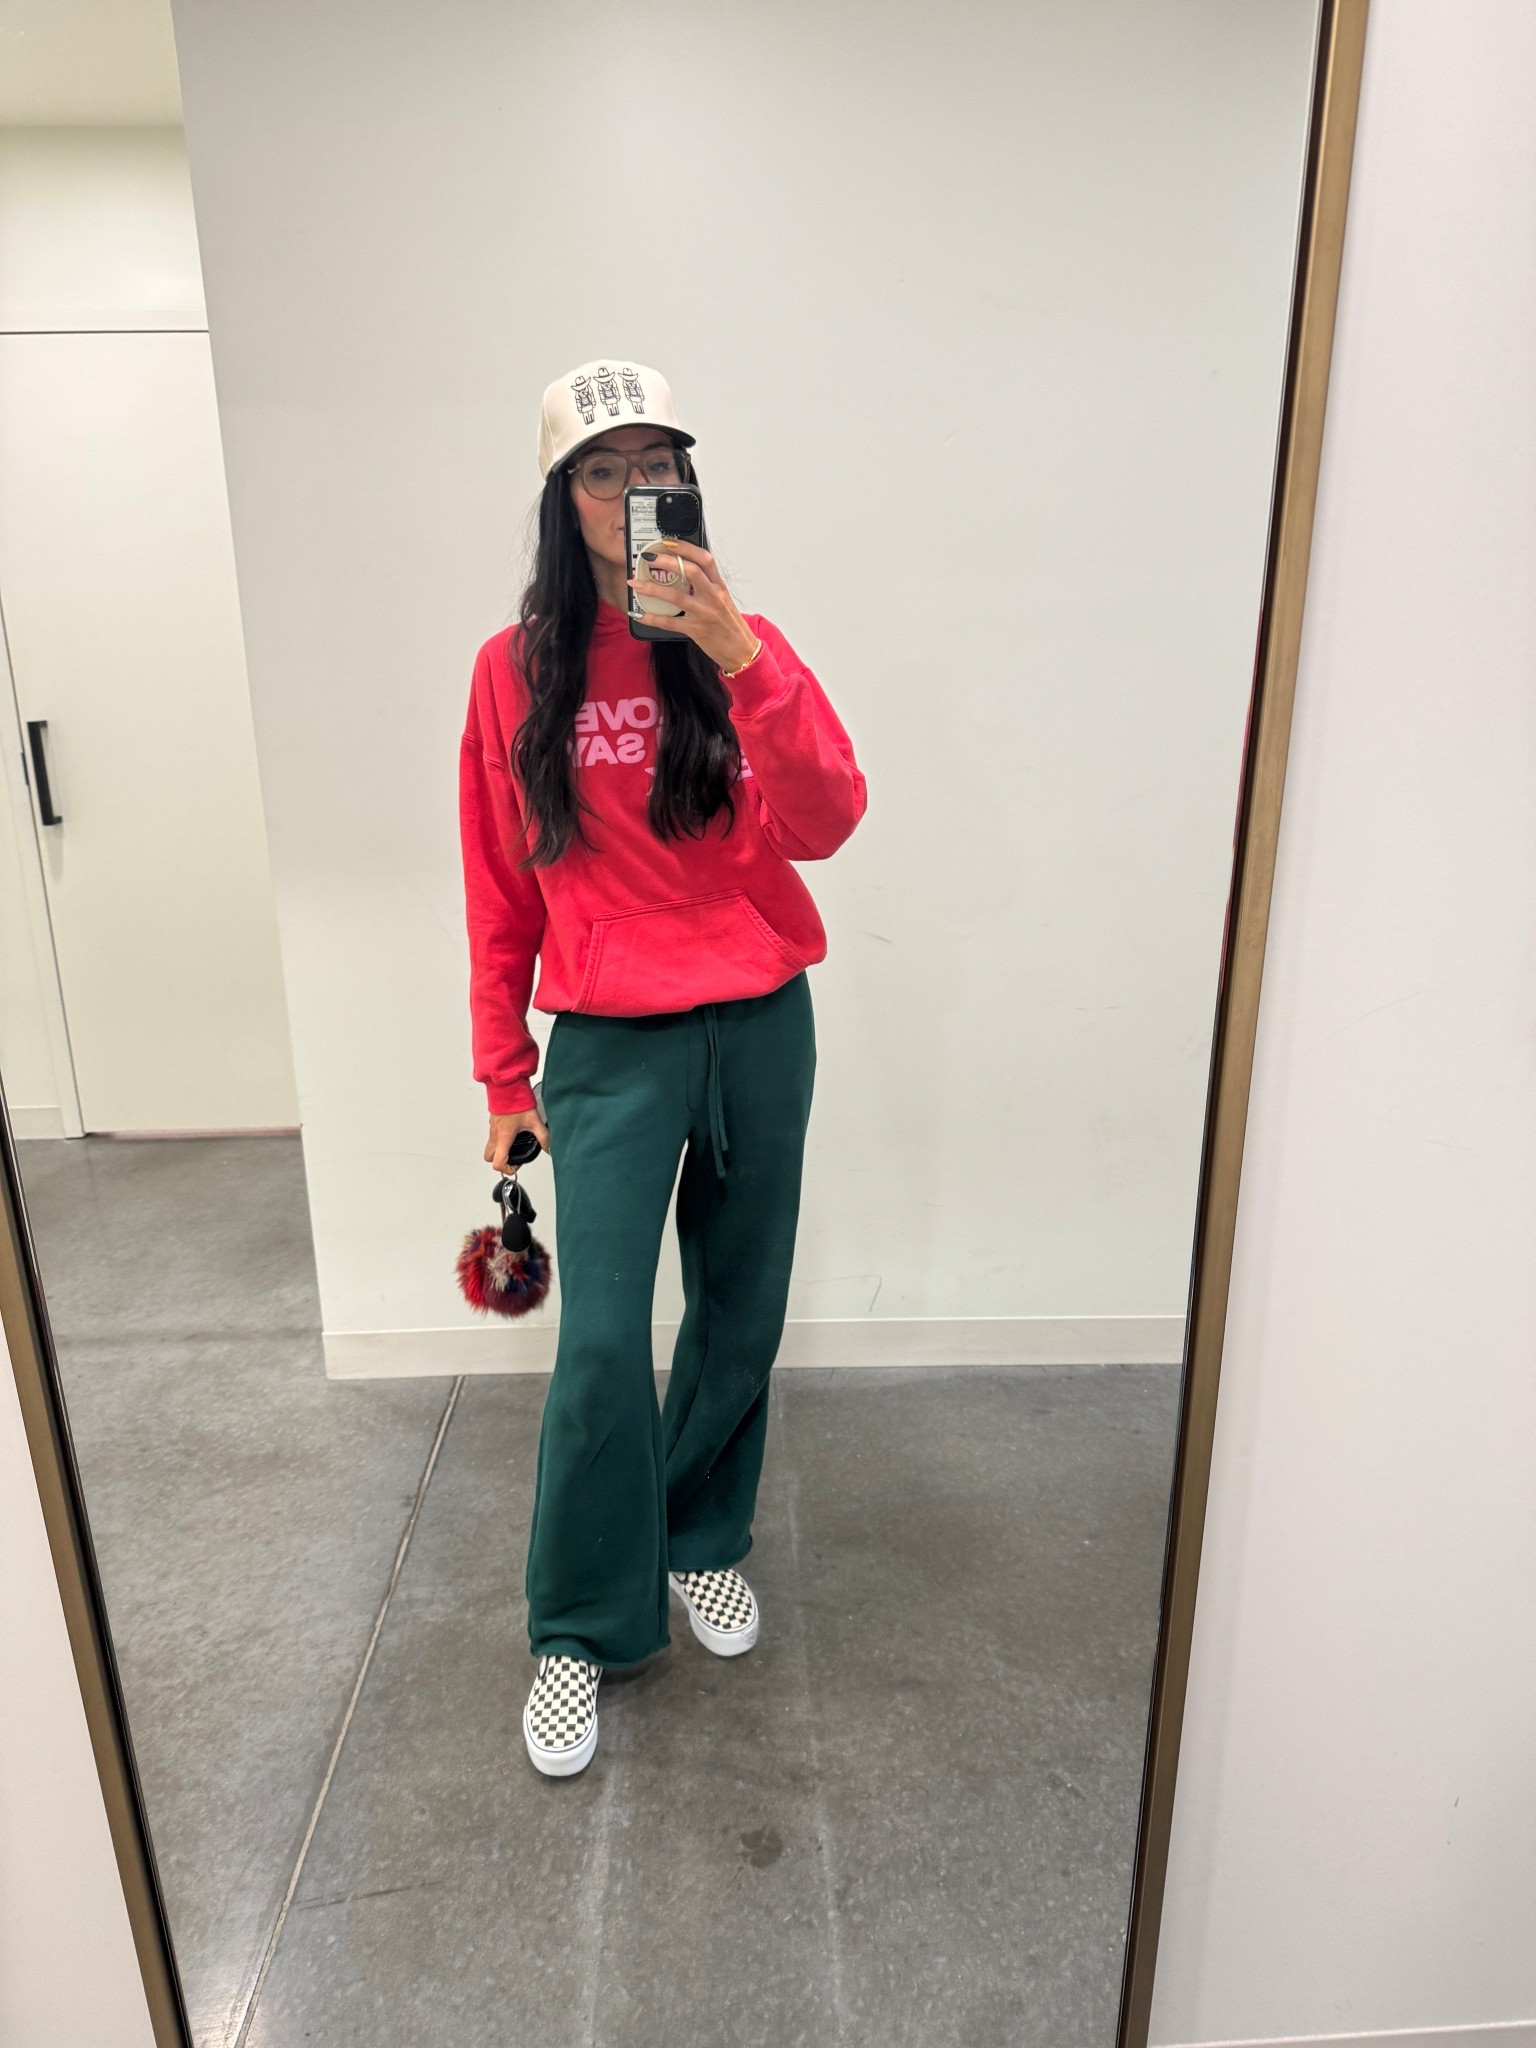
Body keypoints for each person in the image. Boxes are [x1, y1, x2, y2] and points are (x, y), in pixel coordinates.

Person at [458, 359, 867, 1776]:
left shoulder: (742, 645)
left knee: (741, 1311)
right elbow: (499, 879)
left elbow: (828, 822)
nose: (633, 490)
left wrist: (742, 656)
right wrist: (504, 1073)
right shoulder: (513, 670)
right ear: (560, 497)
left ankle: (699, 1537)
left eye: (656, 466)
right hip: (610, 1041)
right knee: (597, 1345)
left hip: (759, 1024)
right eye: (602, 469)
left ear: (685, 484)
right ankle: (580, 1626)